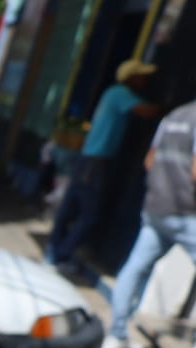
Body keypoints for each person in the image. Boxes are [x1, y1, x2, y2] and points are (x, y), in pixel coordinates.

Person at [47, 60, 160, 279]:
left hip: (89, 159)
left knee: (72, 208)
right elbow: (147, 112)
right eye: (142, 76)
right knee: (89, 214)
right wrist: (169, 109)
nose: (145, 81)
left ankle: (56, 251)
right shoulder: (120, 93)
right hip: (95, 162)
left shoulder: (113, 93)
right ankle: (62, 255)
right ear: (131, 77)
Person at [102, 97, 196, 348]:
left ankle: (116, 335)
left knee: (134, 268)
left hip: (157, 206)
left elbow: (149, 161)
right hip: (187, 211)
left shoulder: (173, 116)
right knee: (136, 268)